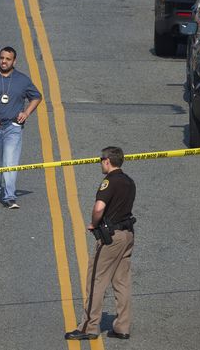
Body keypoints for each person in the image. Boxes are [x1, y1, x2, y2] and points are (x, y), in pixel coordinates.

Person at [65, 146, 136, 341]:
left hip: (111, 237)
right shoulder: (129, 181)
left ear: (107, 161)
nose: (100, 163)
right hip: (127, 234)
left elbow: (99, 208)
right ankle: (123, 326)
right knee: (122, 282)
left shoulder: (109, 181)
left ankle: (89, 326)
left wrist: (93, 224)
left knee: (96, 280)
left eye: (101, 159)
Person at [0, 47, 42, 209]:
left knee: (10, 162)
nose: (4, 61)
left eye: (8, 59)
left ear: (14, 61)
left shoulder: (22, 80)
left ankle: (10, 197)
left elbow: (37, 97)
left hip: (13, 127)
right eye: (2, 58)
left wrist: (26, 113)